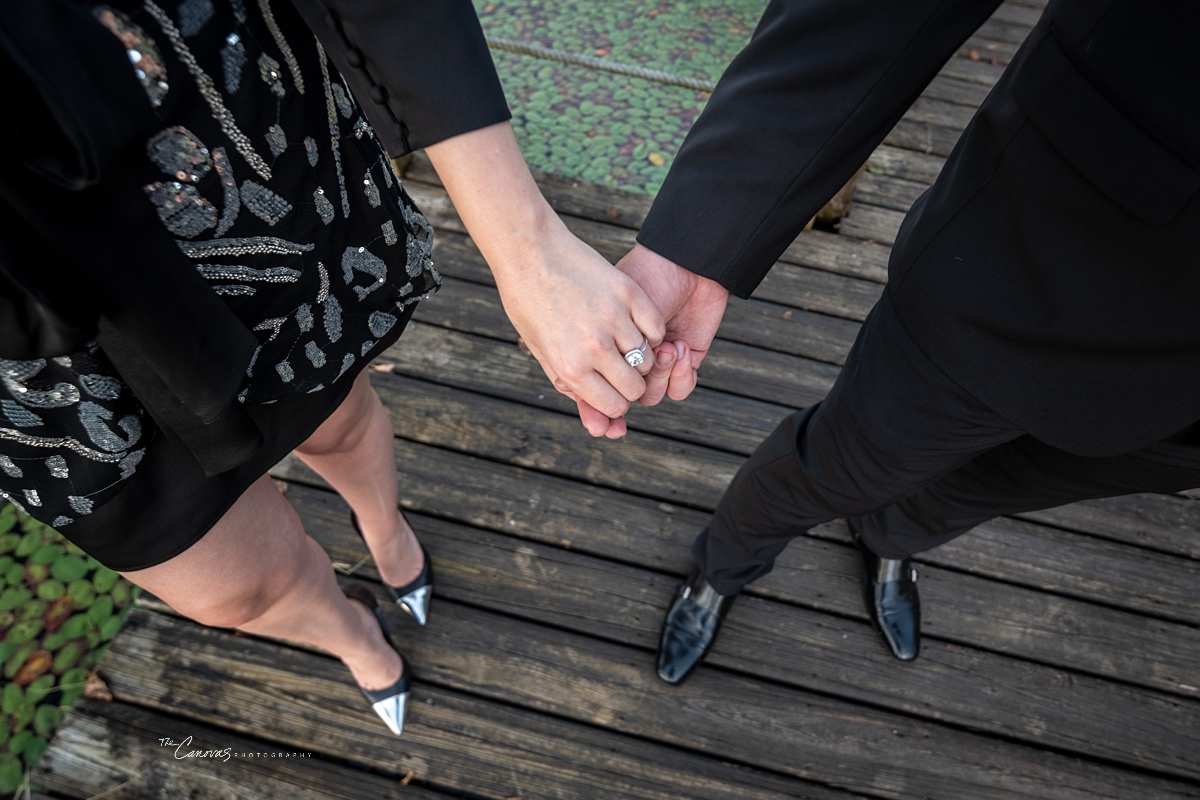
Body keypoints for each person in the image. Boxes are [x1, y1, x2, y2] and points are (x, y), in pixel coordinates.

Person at [0, 0, 663, 734]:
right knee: (229, 591)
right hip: (24, 361)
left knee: (338, 420)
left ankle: (386, 530)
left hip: (188, 160)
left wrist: (527, 245)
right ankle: (352, 633)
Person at [589, 0, 1200, 683]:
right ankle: (721, 569)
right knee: (835, 467)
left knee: (972, 494)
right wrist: (695, 249)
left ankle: (888, 539)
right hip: (1030, 273)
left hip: (1175, 420)